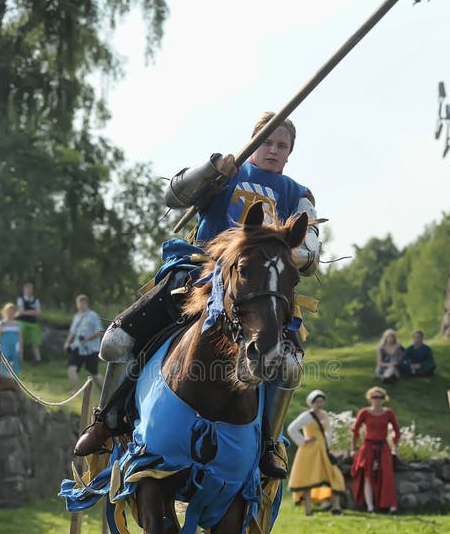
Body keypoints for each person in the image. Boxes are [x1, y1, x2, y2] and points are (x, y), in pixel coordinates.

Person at [73, 111, 321, 481]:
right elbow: (174, 195)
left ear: (290, 153)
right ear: (253, 143)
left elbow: (311, 255)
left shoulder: (297, 194)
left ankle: (267, 443)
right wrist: (210, 170)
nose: (273, 150)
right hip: (200, 273)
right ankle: (107, 419)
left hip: (258, 289)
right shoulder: (228, 171)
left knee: (288, 365)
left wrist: (274, 248)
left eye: (281, 146)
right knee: (116, 341)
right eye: (267, 142)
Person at [287, 390, 345, 516]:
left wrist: (327, 446)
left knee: (335, 476)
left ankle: (336, 507)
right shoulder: (307, 416)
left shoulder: (325, 416)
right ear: (311, 403)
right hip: (309, 452)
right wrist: (303, 440)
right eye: (316, 401)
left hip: (322, 451)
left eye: (321, 401)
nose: (319, 404)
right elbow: (291, 428)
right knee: (309, 479)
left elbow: (329, 433)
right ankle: (308, 510)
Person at [350, 387, 400, 514]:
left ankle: (391, 506)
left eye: (380, 397)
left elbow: (397, 431)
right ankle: (370, 506)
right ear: (369, 398)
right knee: (368, 475)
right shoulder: (364, 412)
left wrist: (396, 448)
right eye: (374, 397)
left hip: (383, 446)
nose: (377, 400)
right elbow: (355, 430)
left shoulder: (389, 413)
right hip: (368, 447)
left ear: (384, 399)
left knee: (387, 474)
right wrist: (353, 448)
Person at [63, 294, 104, 391]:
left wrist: (88, 338)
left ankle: (106, 394)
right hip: (78, 347)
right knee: (71, 368)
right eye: (79, 303)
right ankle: (75, 392)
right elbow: (72, 332)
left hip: (91, 349)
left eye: (83, 303)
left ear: (86, 304)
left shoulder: (94, 315)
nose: (81, 305)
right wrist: (67, 343)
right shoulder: (76, 317)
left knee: (94, 374)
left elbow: (100, 331)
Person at [16, 281, 42, 363]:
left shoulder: (36, 300)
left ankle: (38, 359)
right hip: (21, 322)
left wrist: (26, 311)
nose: (29, 291)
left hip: (33, 323)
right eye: (27, 289)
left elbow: (38, 313)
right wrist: (32, 311)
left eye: (30, 289)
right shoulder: (20, 299)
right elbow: (21, 311)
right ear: (24, 290)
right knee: (20, 340)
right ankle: (20, 358)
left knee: (35, 341)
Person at [0, 302, 22, 376]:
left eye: (12, 312)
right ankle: (3, 380)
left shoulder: (17, 324)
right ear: (5, 312)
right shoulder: (1, 323)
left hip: (14, 347)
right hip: (4, 347)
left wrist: (21, 351)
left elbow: (20, 339)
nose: (10, 313)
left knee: (15, 364)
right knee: (4, 364)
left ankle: (15, 381)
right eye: (9, 311)